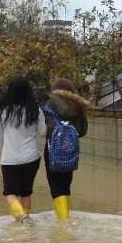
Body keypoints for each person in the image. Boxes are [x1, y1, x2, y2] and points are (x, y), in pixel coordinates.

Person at [0, 77, 46, 222]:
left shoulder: (3, 112)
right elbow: (43, 132)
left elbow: (0, 138)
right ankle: (26, 218)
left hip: (9, 159)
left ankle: (21, 218)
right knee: (26, 193)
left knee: (10, 193)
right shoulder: (36, 110)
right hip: (31, 158)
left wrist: (8, 150)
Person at [43, 78, 89, 220]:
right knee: (65, 185)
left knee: (56, 186)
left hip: (52, 150)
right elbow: (83, 131)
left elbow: (44, 128)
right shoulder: (79, 106)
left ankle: (63, 223)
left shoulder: (49, 104)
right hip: (71, 150)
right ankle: (66, 216)